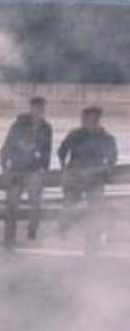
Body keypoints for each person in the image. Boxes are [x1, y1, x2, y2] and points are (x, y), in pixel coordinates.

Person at [57, 106, 118, 253]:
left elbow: (112, 158)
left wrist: (106, 168)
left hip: (95, 179)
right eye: (84, 119)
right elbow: (61, 151)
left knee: (96, 208)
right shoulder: (76, 135)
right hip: (76, 177)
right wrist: (64, 168)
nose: (85, 121)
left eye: (88, 118)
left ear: (96, 119)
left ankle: (93, 240)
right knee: (70, 205)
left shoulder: (106, 138)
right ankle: (65, 232)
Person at [0, 96, 54, 249]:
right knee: (12, 204)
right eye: (36, 108)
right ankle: (10, 237)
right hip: (17, 168)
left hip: (34, 169)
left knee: (35, 204)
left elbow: (47, 150)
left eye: (42, 109)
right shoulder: (19, 125)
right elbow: (7, 145)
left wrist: (45, 168)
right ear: (31, 108)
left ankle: (31, 236)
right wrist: (5, 166)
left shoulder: (46, 128)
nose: (39, 111)